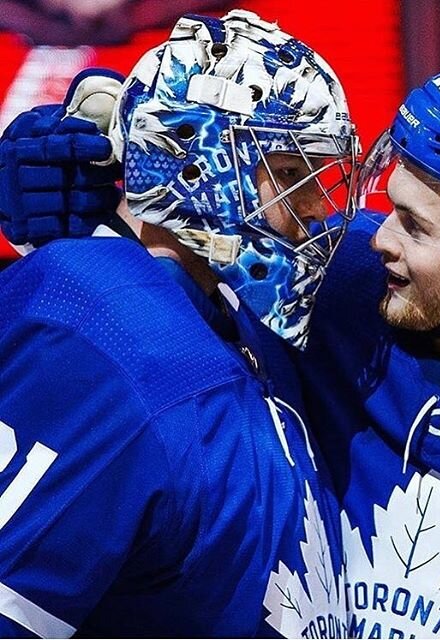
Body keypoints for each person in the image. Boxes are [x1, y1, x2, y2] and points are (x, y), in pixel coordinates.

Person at [3, 57, 440, 638]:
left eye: (414, 225)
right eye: (391, 206)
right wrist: (71, 167)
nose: (375, 237)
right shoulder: (347, 278)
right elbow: (195, 211)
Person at [0, 9, 359, 638]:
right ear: (199, 166)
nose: (314, 211)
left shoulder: (242, 328)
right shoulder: (101, 339)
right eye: (291, 174)